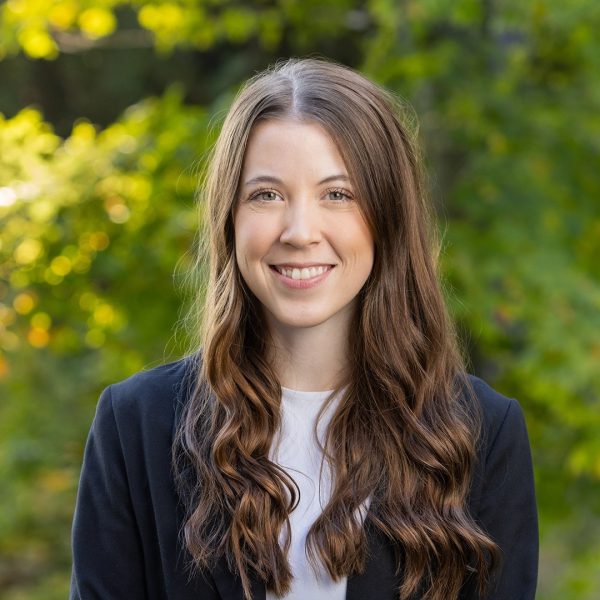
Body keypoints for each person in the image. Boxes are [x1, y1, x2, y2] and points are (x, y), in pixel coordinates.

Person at [69, 57, 538, 600]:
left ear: (387, 216)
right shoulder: (135, 425)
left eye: (337, 194)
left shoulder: (482, 433)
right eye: (266, 195)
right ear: (231, 218)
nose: (299, 231)